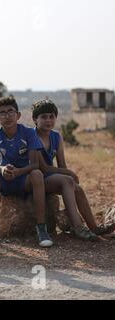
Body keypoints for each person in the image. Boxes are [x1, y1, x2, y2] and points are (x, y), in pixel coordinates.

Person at [32, 98, 114, 240]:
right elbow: (43, 167)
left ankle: (94, 227)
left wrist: (69, 177)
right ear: (35, 119)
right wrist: (69, 173)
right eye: (44, 117)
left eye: (51, 117)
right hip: (36, 178)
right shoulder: (32, 136)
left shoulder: (56, 137)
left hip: (50, 177)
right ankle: (78, 227)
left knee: (77, 188)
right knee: (67, 179)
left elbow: (62, 164)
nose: (48, 120)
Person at [0, 96, 53, 247]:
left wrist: (19, 172)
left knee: (37, 174)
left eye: (11, 112)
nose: (7, 116)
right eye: (2, 113)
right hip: (3, 179)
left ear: (18, 115)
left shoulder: (28, 133)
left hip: (23, 179)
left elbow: (35, 163)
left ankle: (41, 228)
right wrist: (1, 169)